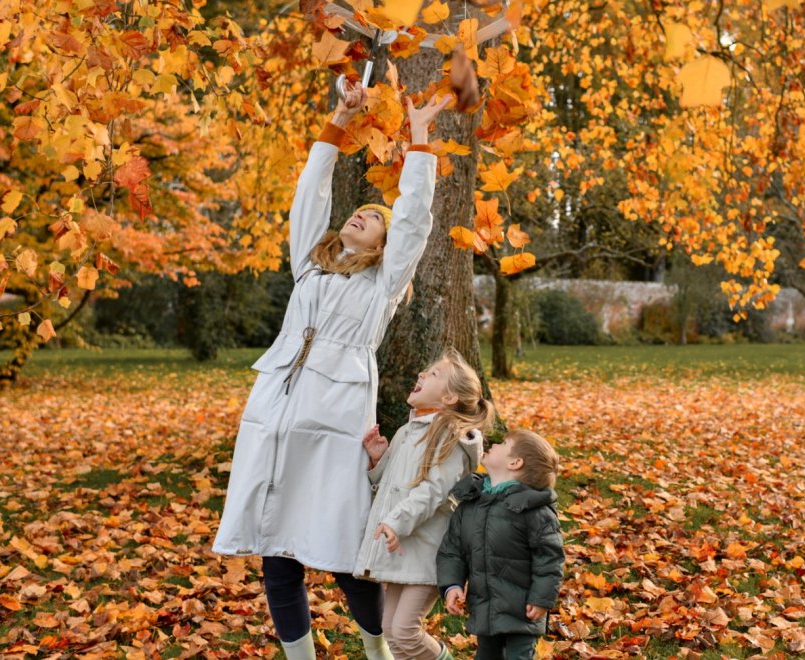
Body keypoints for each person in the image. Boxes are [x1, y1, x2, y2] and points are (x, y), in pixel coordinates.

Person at [211, 78, 454, 660]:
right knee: (276, 551)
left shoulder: (383, 288)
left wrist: (419, 145)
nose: (360, 216)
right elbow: (308, 196)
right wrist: (338, 122)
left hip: (336, 421)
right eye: (357, 211)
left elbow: (415, 223)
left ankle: (379, 651)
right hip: (274, 416)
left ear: (382, 244)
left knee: (345, 550)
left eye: (373, 216)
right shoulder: (309, 271)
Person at [354, 348, 495, 659]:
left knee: (405, 629)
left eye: (434, 374)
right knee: (390, 629)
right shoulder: (408, 431)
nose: (421, 374)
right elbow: (391, 484)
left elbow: (433, 491)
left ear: (448, 398)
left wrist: (395, 521)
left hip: (431, 549)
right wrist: (378, 460)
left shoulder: (449, 436)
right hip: (406, 547)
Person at [437, 430, 565, 660]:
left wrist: (541, 598)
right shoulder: (471, 504)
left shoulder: (534, 511)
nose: (495, 444)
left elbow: (550, 559)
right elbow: (452, 550)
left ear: (515, 463)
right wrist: (452, 584)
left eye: (504, 443)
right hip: (485, 606)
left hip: (523, 609)